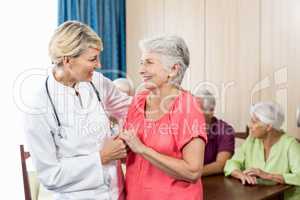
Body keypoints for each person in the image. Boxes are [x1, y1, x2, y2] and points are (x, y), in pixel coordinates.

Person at [24, 21, 131, 200]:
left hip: (114, 193)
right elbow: (50, 176)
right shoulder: (38, 107)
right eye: (92, 59)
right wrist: (101, 158)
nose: (99, 65)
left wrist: (176, 103)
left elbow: (130, 107)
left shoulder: (96, 82)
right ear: (67, 60)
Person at [119, 35, 207, 200]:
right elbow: (127, 148)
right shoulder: (140, 98)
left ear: (173, 70)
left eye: (149, 63)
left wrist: (143, 149)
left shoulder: (187, 107)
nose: (141, 70)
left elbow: (192, 171)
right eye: (141, 62)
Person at [224, 102, 300, 200]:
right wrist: (241, 175)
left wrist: (268, 176)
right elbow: (232, 163)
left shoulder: (290, 144)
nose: (249, 125)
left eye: (254, 121)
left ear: (268, 127)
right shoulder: (252, 140)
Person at [195, 89, 235, 176]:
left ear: (211, 111)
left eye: (197, 110)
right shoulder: (185, 127)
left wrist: (190, 174)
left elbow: (221, 165)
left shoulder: (225, 130)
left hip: (216, 182)